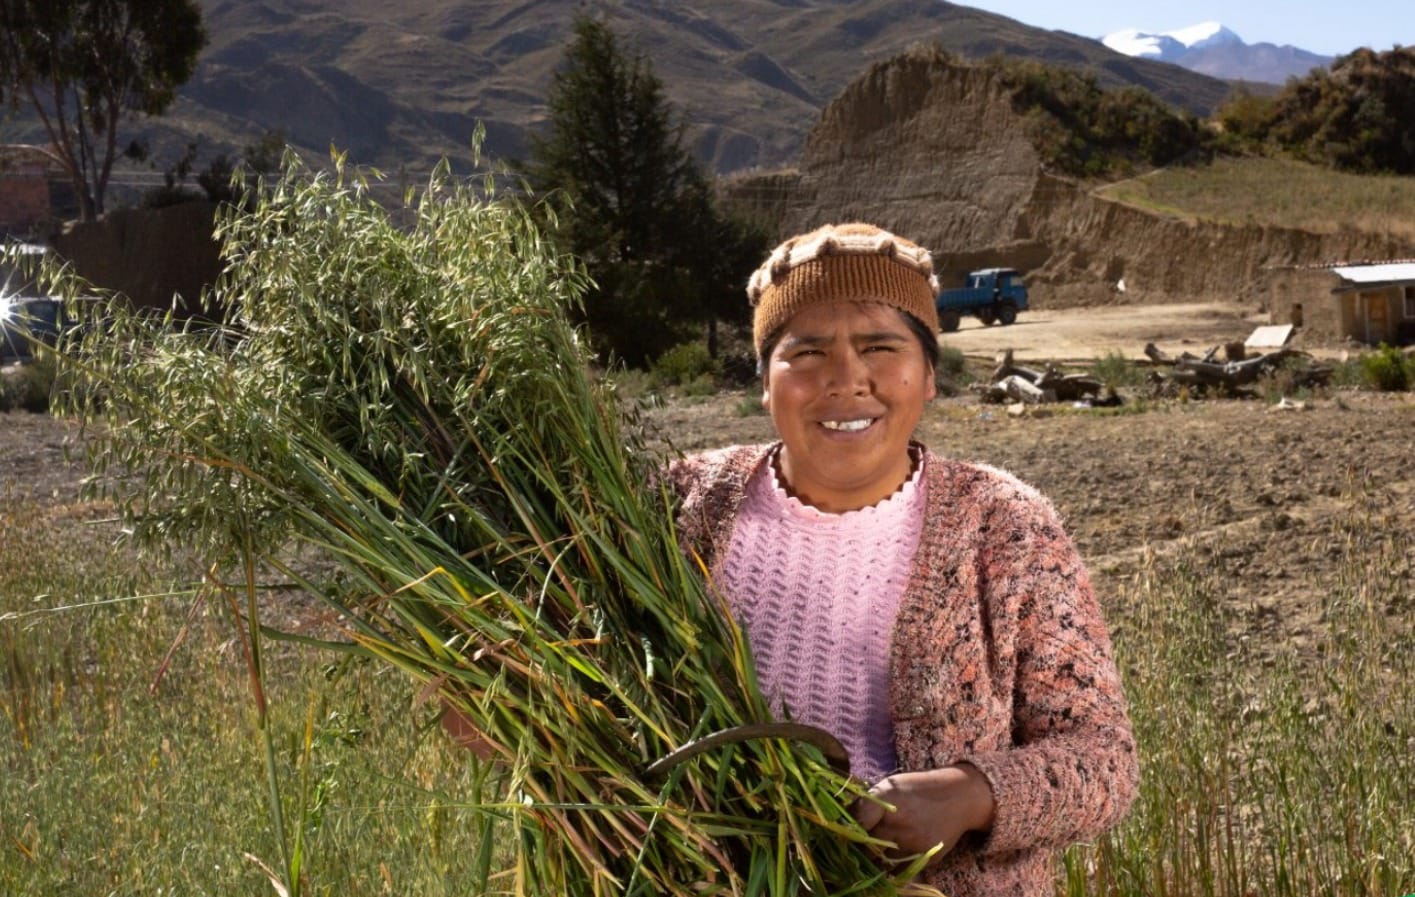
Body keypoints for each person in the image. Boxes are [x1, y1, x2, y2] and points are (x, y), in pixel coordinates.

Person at [663, 222, 1138, 896]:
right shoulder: (681, 506)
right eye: (807, 352)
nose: (845, 378)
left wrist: (972, 793)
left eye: (879, 346)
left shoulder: (1004, 525)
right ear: (766, 383)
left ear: (928, 377)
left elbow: (1104, 760)